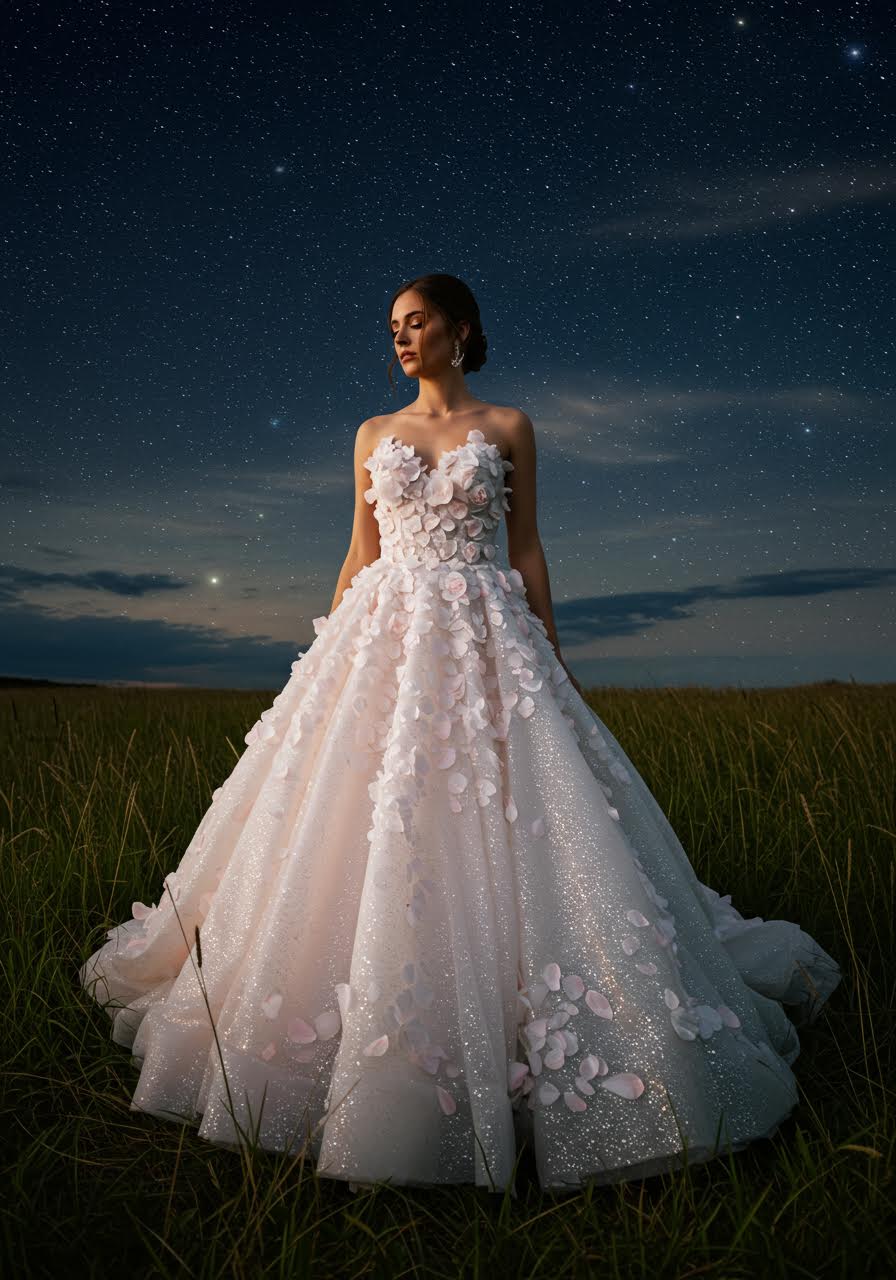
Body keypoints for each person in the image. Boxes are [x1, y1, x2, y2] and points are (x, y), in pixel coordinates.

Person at [79, 273, 841, 1195]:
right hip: (383, 635)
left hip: (488, 635)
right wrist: (319, 663)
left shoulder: (510, 426)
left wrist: (549, 649)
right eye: (393, 327)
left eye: (418, 322)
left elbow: (524, 547)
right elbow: (360, 551)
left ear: (461, 330)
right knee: (362, 811)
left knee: (517, 816)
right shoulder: (371, 433)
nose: (401, 338)